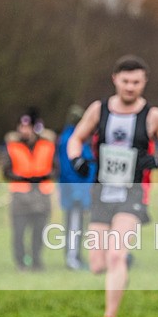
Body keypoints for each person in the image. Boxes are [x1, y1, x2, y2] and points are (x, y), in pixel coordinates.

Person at [67, 55, 158, 317]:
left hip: (133, 193)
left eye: (136, 82)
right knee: (97, 263)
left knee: (116, 255)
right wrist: (76, 160)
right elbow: (75, 138)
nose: (130, 87)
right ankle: (119, 271)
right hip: (102, 191)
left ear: (144, 83)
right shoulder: (99, 109)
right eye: (126, 81)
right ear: (115, 79)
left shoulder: (153, 115)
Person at [3, 110, 57, 271]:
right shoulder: (13, 147)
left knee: (39, 232)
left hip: (42, 194)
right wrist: (21, 177)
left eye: (27, 127)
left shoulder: (47, 145)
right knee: (19, 232)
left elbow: (55, 168)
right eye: (21, 127)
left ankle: (36, 261)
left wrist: (43, 176)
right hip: (20, 195)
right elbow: (6, 170)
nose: (24, 130)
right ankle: (21, 262)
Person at [57, 104, 95, 270]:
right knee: (73, 226)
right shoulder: (69, 140)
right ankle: (72, 259)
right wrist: (78, 194)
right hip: (74, 193)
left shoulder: (80, 139)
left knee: (79, 226)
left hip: (82, 192)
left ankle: (76, 256)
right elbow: (69, 170)